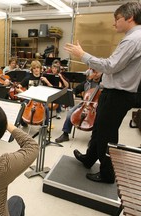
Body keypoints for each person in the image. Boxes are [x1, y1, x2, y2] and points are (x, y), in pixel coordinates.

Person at [64, 2, 141, 183]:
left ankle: (107, 174)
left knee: (106, 134)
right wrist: (104, 72)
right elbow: (119, 66)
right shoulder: (134, 37)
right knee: (98, 128)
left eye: (117, 19)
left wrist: (82, 54)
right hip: (114, 93)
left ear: (129, 18)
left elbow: (111, 65)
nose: (114, 24)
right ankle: (90, 158)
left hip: (118, 95)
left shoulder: (133, 39)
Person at [55, 68, 102, 143]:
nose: (95, 73)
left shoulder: (104, 84)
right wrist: (73, 94)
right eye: (94, 71)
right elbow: (75, 90)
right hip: (85, 103)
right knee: (70, 112)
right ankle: (65, 134)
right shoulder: (87, 83)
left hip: (97, 106)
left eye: (97, 71)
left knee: (99, 118)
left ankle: (94, 139)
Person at [16, 60, 50, 126]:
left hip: (41, 99)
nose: (36, 69)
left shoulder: (44, 78)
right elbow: (17, 88)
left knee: (46, 108)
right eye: (34, 68)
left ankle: (45, 126)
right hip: (30, 98)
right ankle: (22, 122)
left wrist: (47, 81)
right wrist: (24, 93)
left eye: (37, 68)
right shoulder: (28, 78)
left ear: (40, 69)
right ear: (32, 69)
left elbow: (52, 88)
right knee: (22, 106)